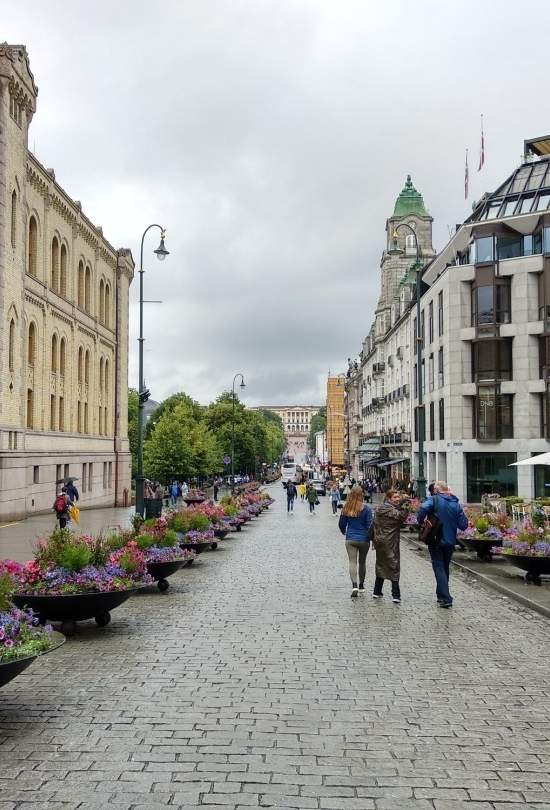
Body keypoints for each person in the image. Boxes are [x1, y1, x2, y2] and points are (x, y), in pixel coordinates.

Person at [417, 481, 468, 608]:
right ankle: (441, 595)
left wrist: (421, 521)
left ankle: (446, 598)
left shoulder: (434, 500)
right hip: (450, 541)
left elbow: (423, 508)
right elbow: (463, 525)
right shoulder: (455, 503)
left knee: (439, 567)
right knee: (444, 567)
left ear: (437, 490)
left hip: (435, 538)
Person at [372, 489, 409, 603]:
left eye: (398, 497)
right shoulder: (392, 511)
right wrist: (406, 506)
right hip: (390, 541)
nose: (398, 499)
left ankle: (377, 591)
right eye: (395, 497)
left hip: (380, 540)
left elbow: (374, 524)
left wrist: (374, 539)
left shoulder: (379, 509)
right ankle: (395, 594)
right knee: (394, 565)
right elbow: (401, 518)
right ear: (388, 499)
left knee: (380, 564)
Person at [338, 486, 373, 597]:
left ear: (351, 494)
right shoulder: (366, 509)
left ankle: (354, 585)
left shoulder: (346, 508)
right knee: (362, 562)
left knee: (352, 562)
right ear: (361, 494)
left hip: (351, 539)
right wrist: (371, 537)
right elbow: (370, 525)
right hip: (364, 539)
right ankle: (362, 585)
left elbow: (341, 524)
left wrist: (344, 531)